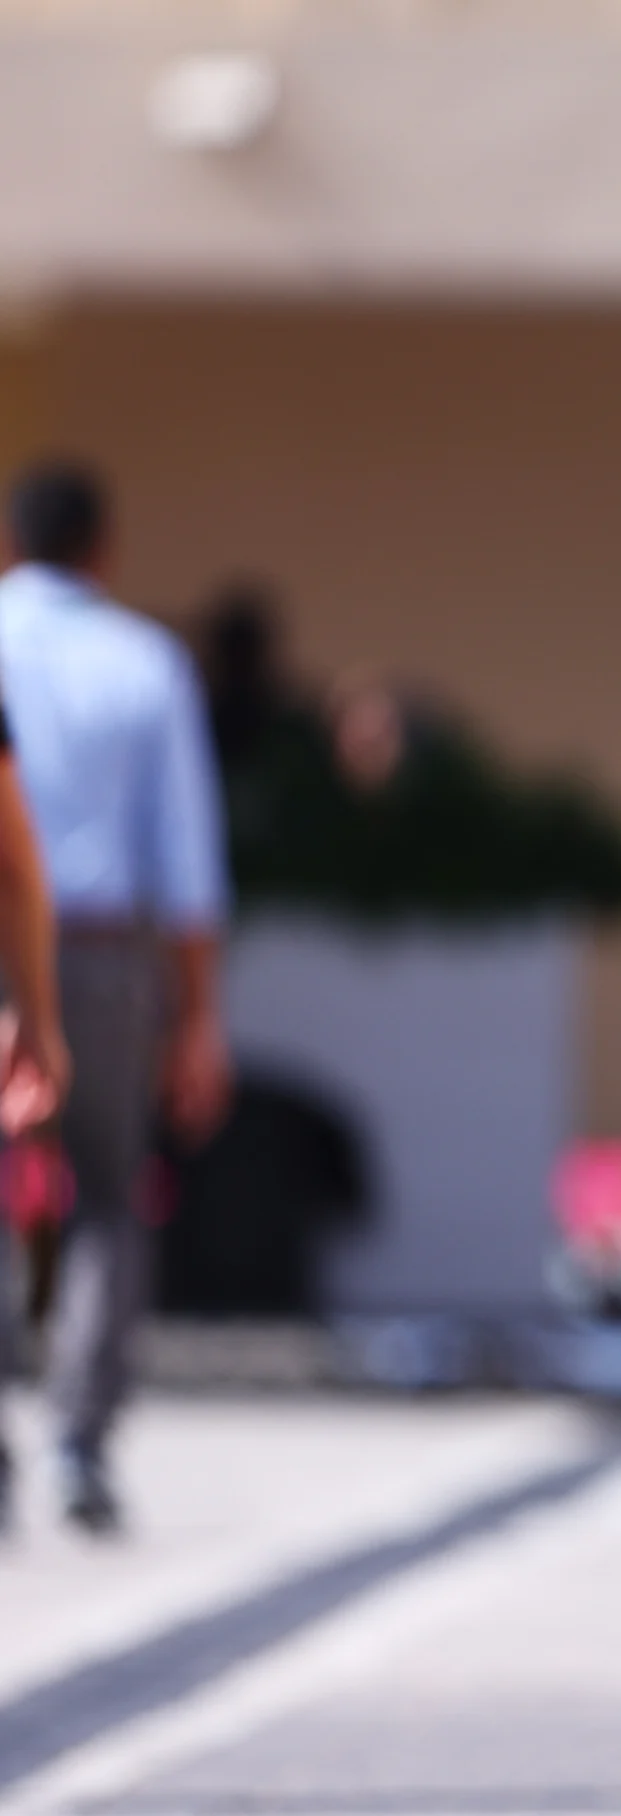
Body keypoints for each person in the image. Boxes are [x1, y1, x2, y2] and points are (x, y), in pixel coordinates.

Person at [0, 460, 224, 1535]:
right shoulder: (145, 663)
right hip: (96, 957)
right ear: (104, 546)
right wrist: (199, 1019)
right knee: (104, 1193)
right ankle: (78, 1438)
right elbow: (186, 867)